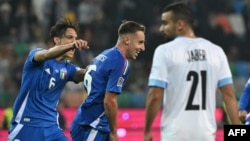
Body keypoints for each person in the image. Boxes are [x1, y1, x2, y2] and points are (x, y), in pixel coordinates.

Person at [144, 2, 241, 141]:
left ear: (180, 24)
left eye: (165, 23)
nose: (161, 28)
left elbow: (155, 96)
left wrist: (147, 130)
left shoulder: (164, 51)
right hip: (206, 135)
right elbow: (229, 96)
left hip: (175, 134)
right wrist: (239, 133)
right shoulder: (216, 51)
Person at [7, 18, 89, 141]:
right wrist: (71, 45)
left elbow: (83, 73)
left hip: (52, 128)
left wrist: (96, 68)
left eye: (75, 38)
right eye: (70, 37)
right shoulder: (37, 55)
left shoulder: (68, 68)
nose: (74, 42)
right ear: (56, 39)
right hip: (28, 125)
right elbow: (46, 55)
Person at [70, 20, 146, 141]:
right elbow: (109, 101)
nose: (143, 48)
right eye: (140, 42)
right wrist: (114, 132)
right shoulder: (121, 62)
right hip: (94, 125)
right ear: (127, 40)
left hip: (82, 119)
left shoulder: (104, 55)